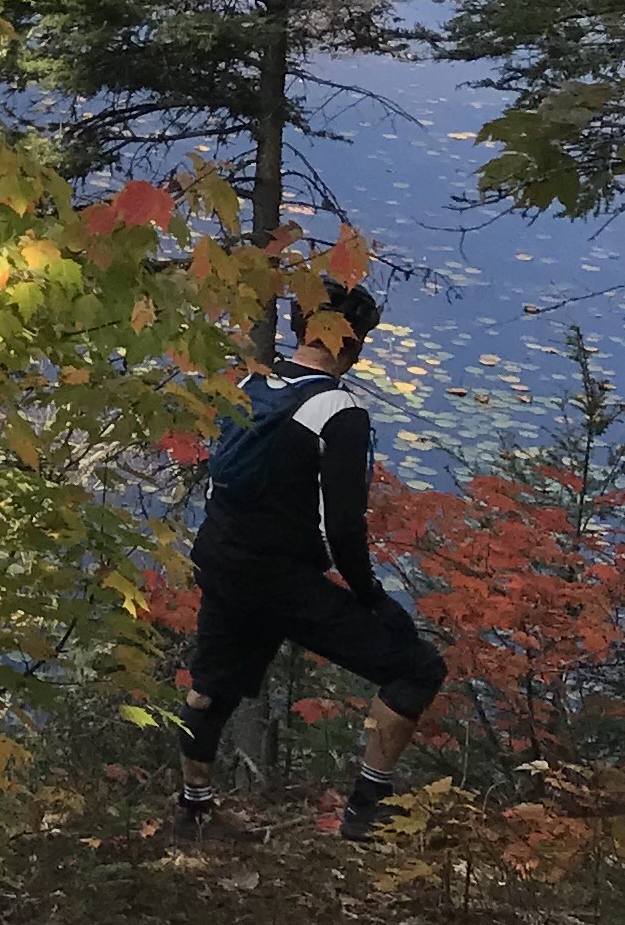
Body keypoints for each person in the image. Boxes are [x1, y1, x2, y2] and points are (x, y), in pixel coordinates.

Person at [173, 277, 445, 839]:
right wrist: (374, 601)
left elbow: (218, 480)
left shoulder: (251, 381)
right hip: (283, 579)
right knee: (416, 668)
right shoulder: (338, 410)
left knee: (209, 687)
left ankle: (192, 815)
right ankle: (366, 816)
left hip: (222, 560)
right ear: (355, 342)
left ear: (302, 328)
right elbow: (343, 526)